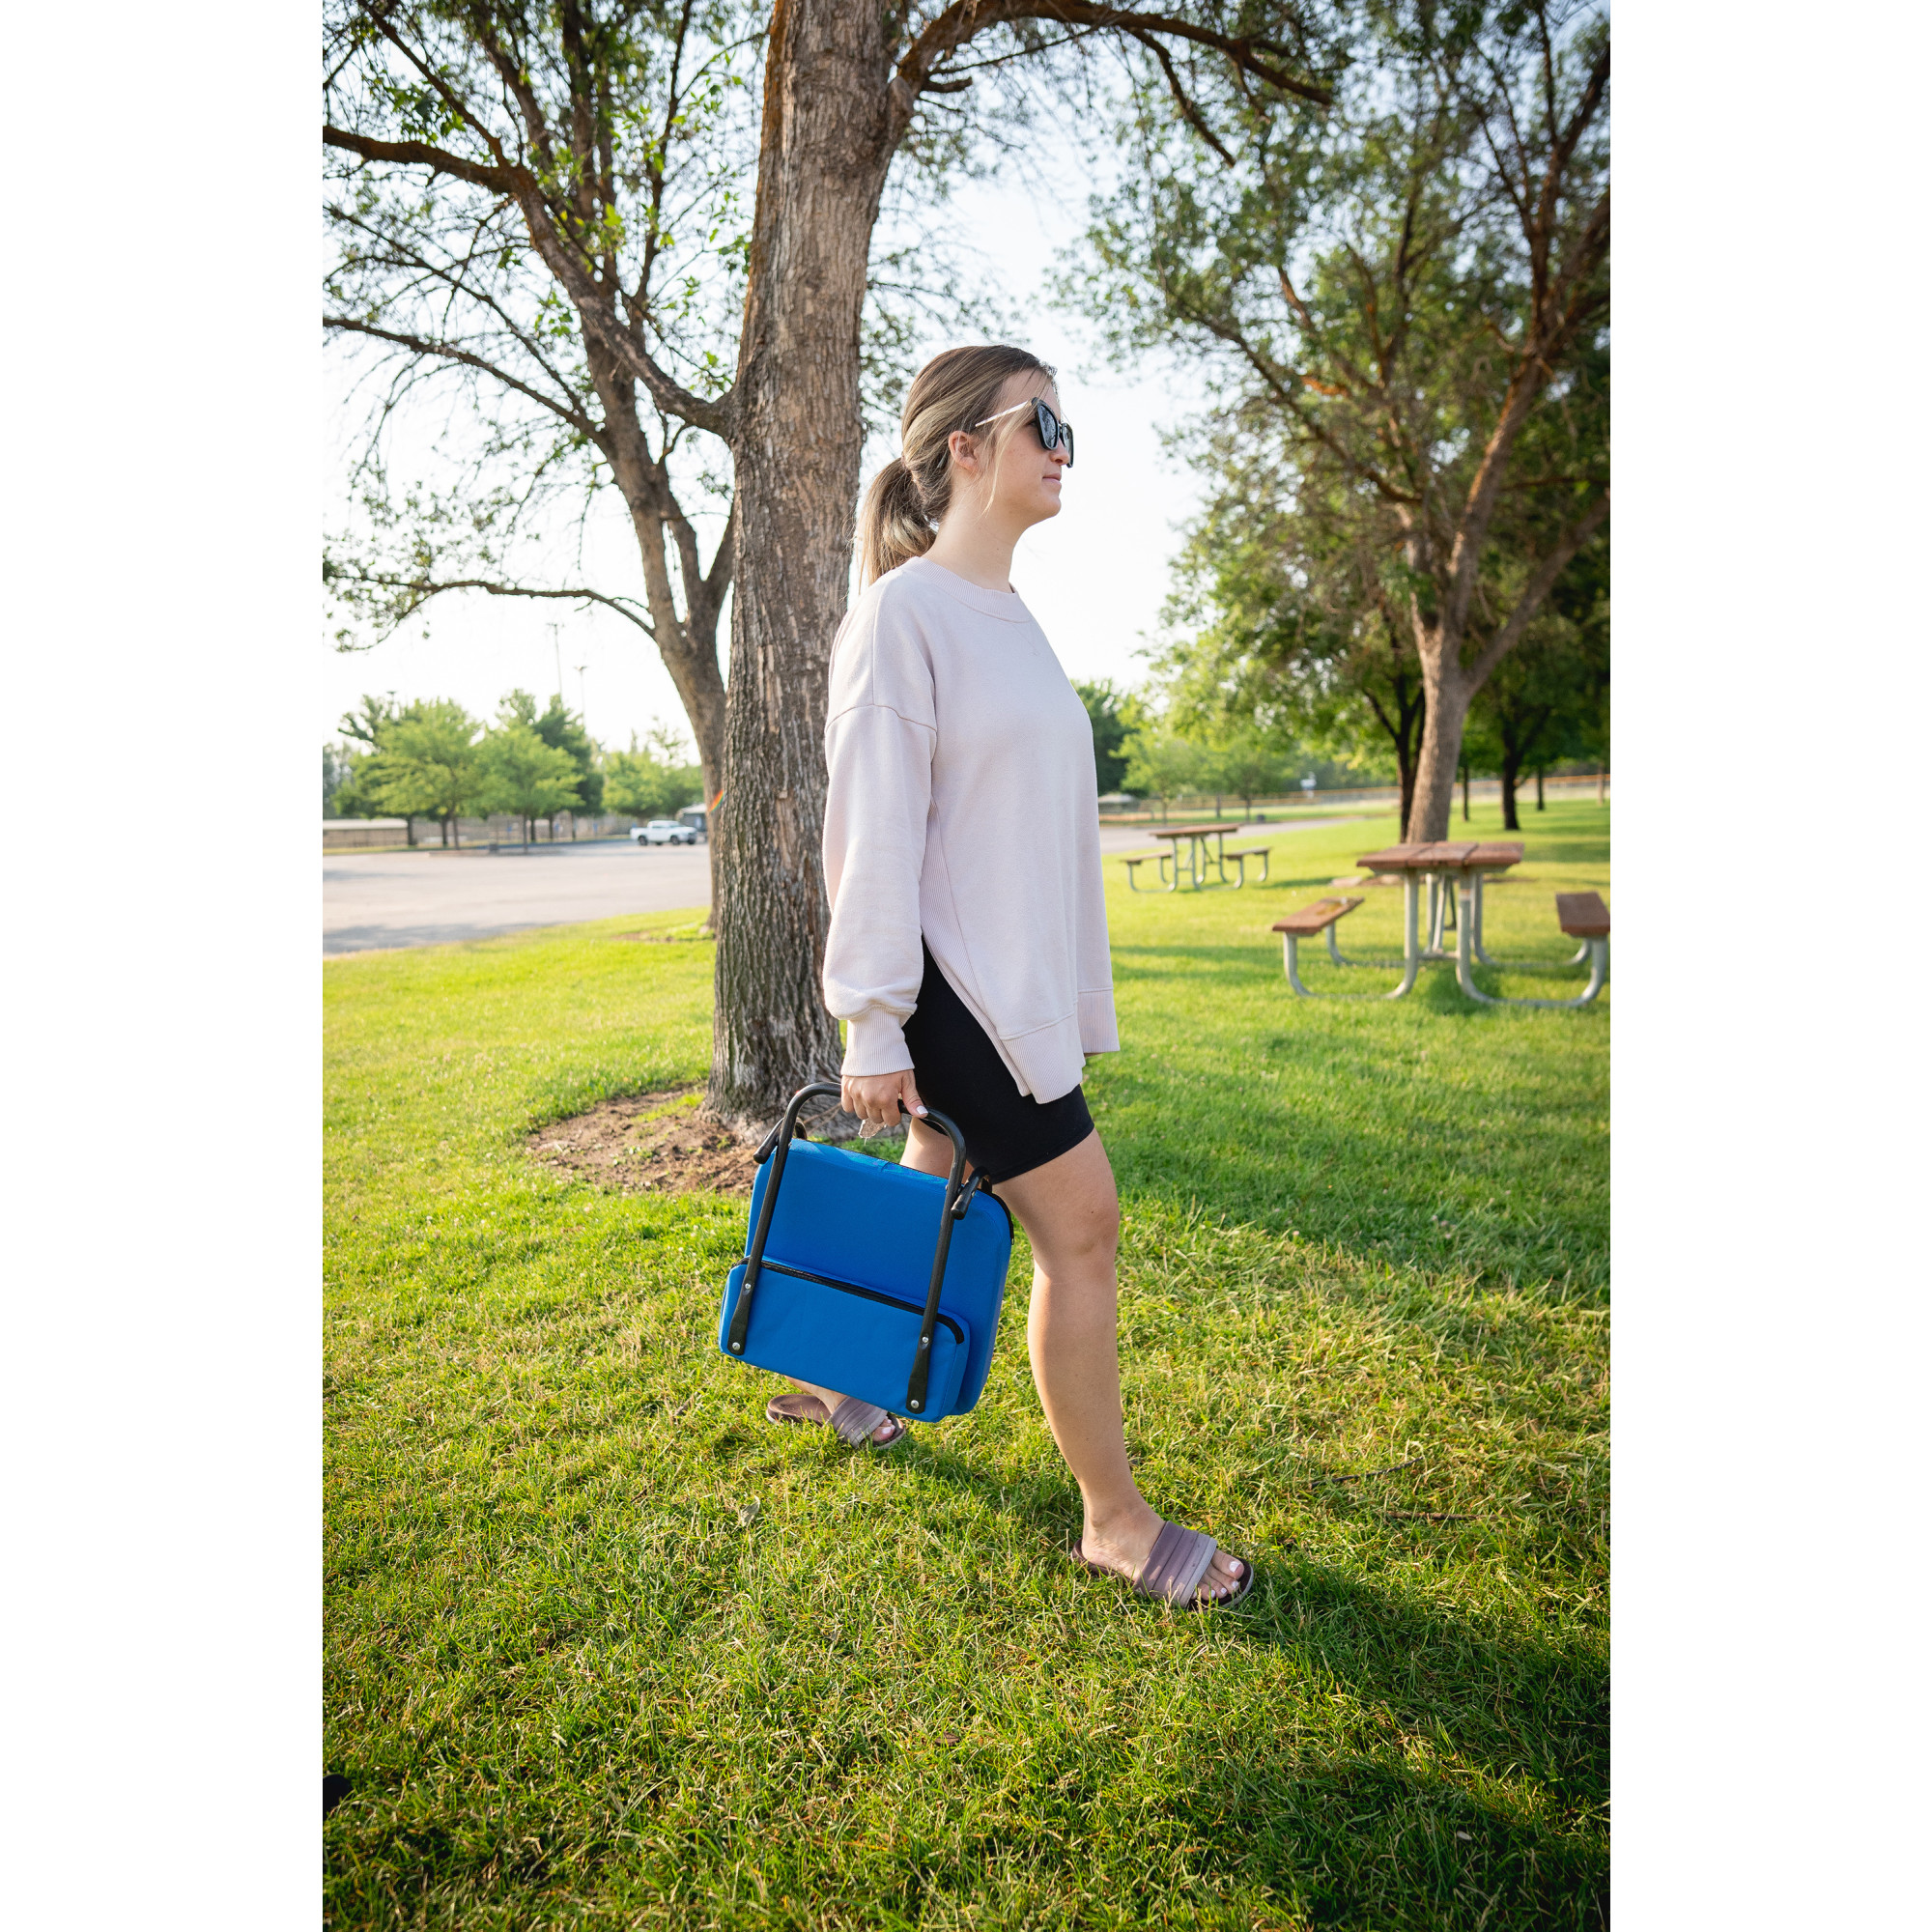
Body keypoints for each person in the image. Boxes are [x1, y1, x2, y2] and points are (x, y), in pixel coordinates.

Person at [762, 344, 1254, 1609]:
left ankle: (852, 1388)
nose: (1062, 446)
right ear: (964, 451)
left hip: (1009, 987)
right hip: (954, 995)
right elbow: (871, 831)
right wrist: (872, 1025)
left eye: (1065, 423)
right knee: (1081, 1232)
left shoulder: (1008, 617)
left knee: (939, 1194)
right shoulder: (903, 615)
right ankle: (1116, 1522)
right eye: (1041, 420)